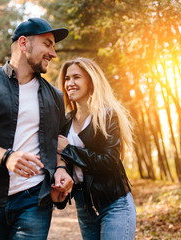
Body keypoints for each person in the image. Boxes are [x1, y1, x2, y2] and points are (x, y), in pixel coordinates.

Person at [0, 18, 73, 240]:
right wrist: (6, 157)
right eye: (47, 44)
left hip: (35, 199)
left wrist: (61, 169)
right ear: (23, 43)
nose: (53, 53)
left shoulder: (56, 96)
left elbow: (60, 144)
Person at [56, 57, 136, 240]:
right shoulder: (65, 121)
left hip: (114, 204)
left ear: (91, 82)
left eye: (76, 77)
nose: (70, 83)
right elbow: (64, 164)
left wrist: (69, 150)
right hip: (84, 207)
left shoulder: (106, 116)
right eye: (67, 78)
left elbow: (108, 162)